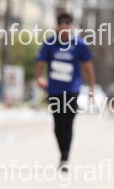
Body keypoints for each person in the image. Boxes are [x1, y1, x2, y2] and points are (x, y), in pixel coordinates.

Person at [35, 12, 96, 172]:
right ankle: (62, 153)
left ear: (71, 26)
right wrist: (39, 78)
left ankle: (65, 157)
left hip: (72, 90)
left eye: (67, 23)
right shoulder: (50, 43)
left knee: (68, 123)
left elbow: (88, 67)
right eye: (61, 23)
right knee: (58, 124)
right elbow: (40, 63)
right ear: (57, 25)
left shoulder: (79, 44)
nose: (64, 26)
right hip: (54, 90)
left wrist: (92, 89)